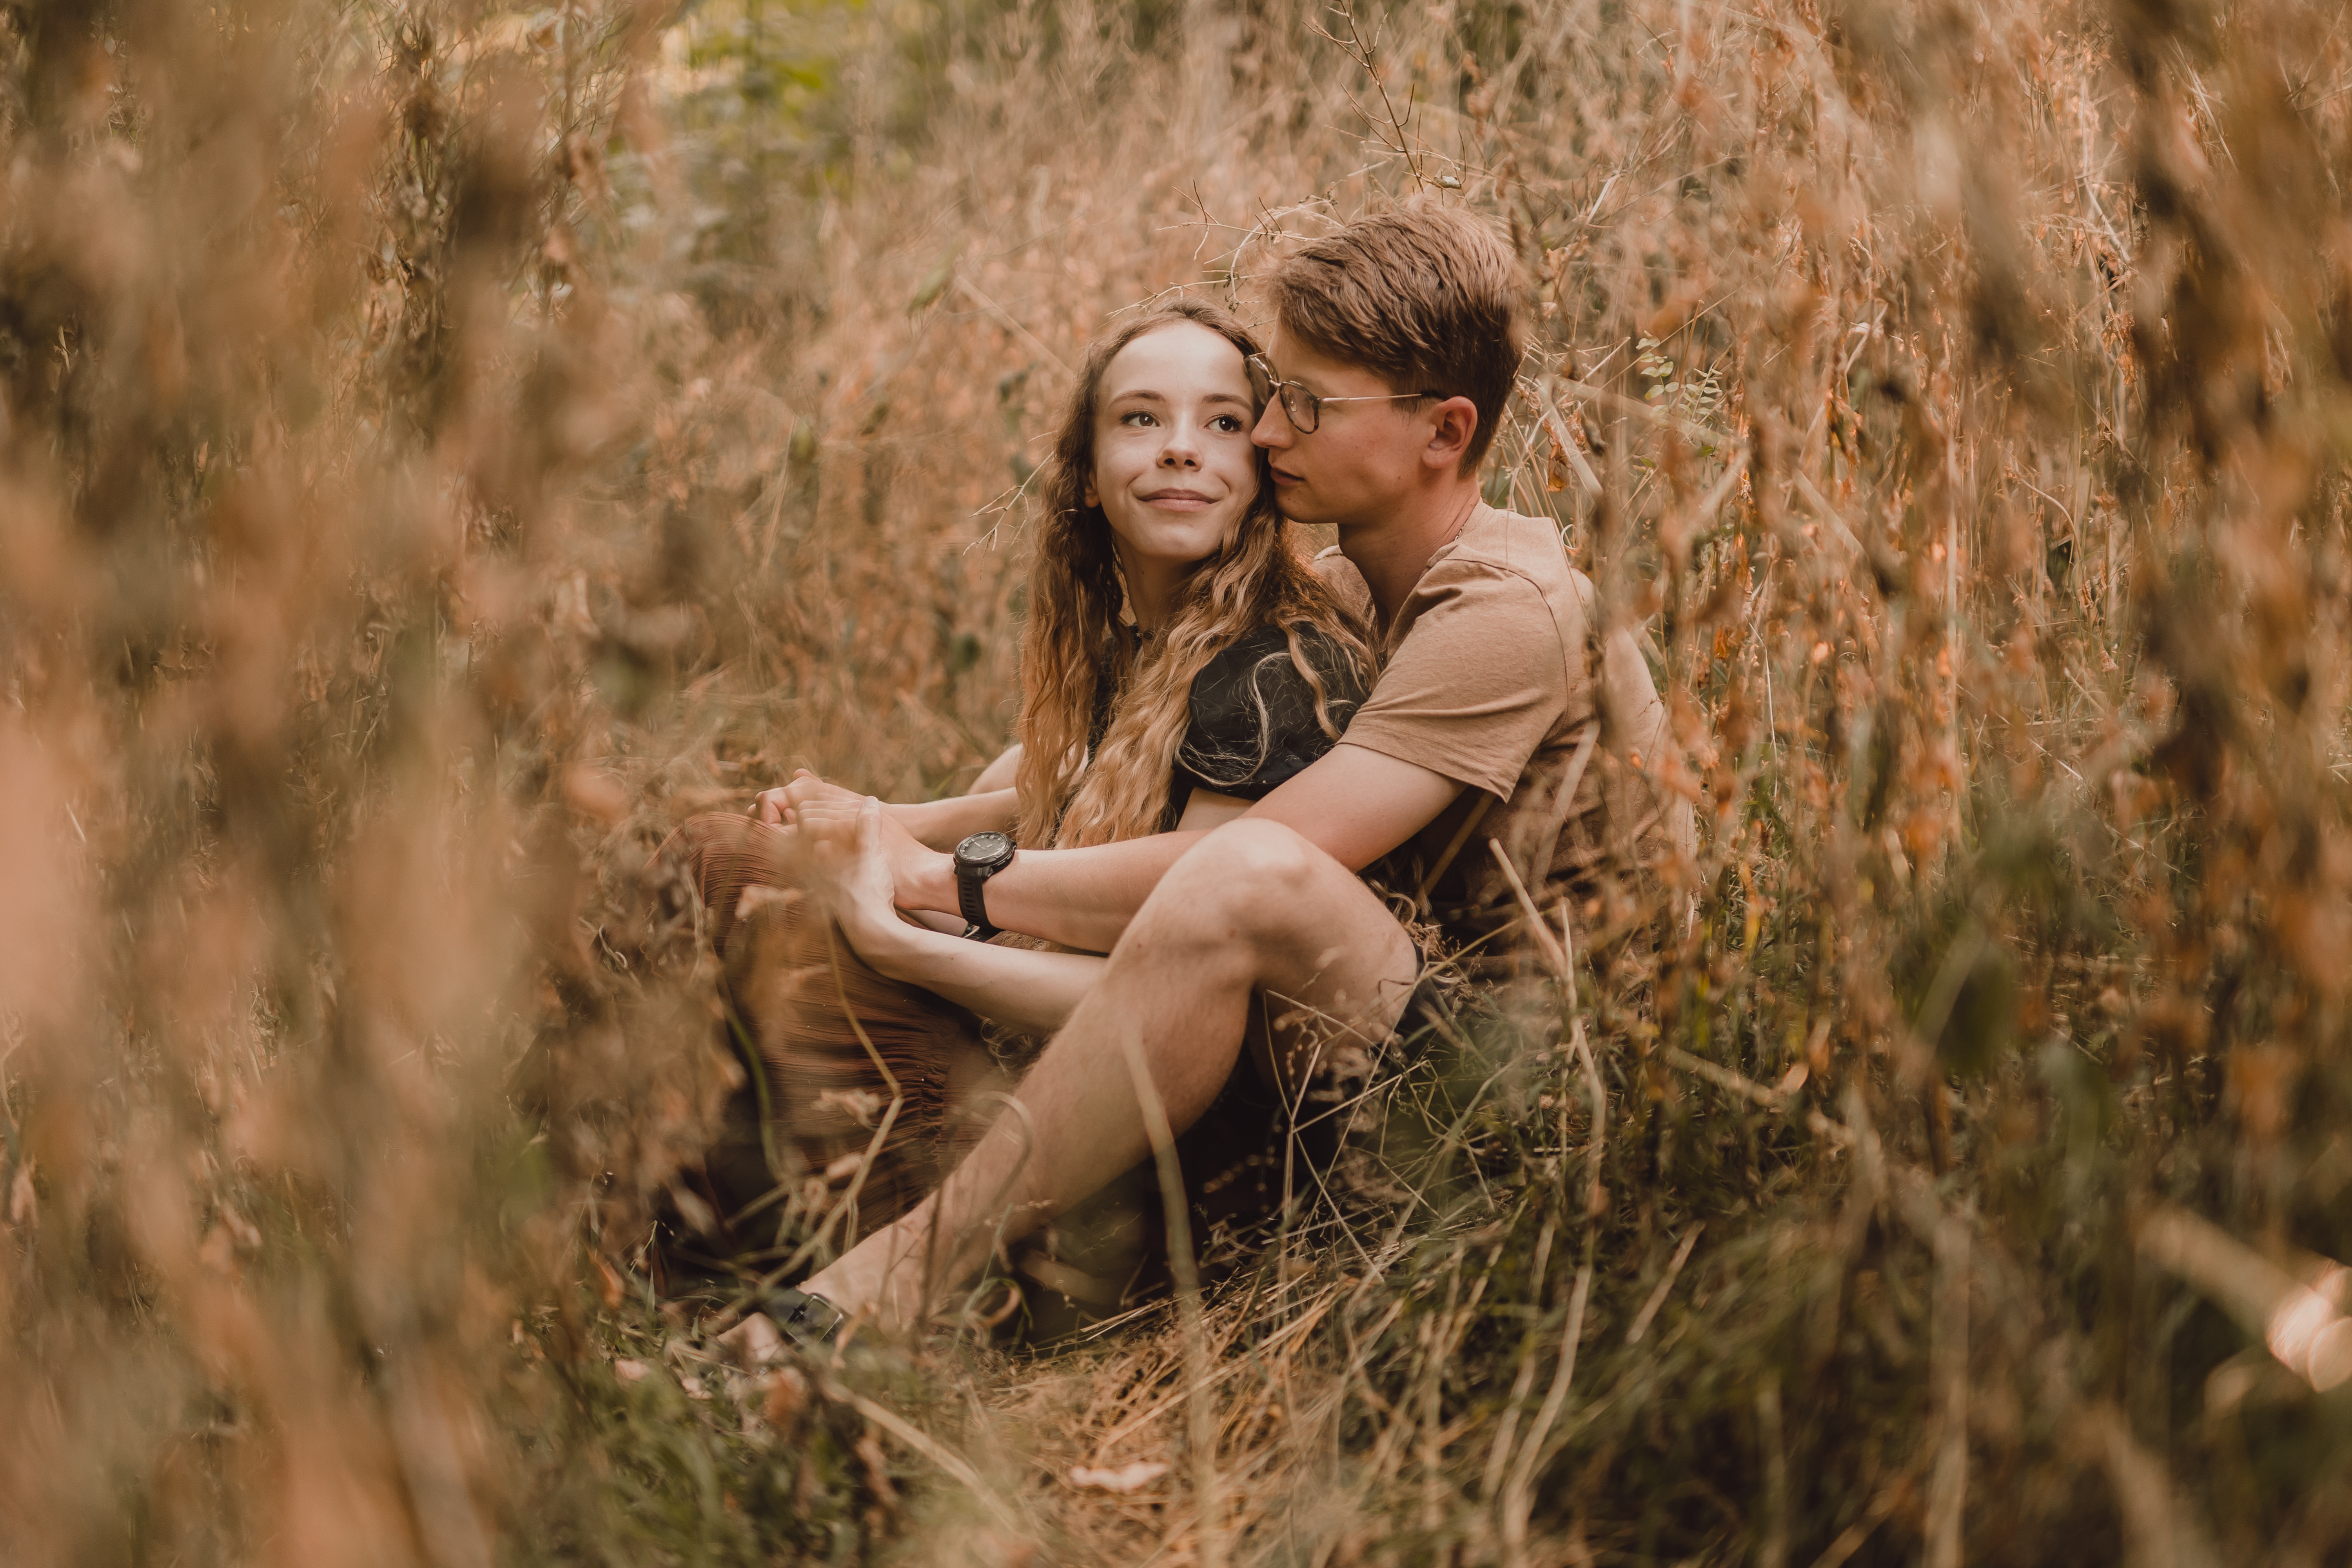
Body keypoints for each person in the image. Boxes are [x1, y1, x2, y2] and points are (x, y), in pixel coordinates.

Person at [769, 201, 1689, 1343]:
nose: (1262, 437)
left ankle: (899, 1281)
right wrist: (886, 819)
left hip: (1543, 1104)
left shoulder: (1512, 616)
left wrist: (932, 883)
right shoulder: (1361, 583)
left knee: (1251, 873)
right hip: (1403, 1016)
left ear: (1443, 435)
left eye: (1304, 405)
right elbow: (1132, 767)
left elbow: (1248, 868)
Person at [665, 299, 1372, 1278]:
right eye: (1140, 418)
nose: (1180, 449)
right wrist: (867, 836)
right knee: (715, 862)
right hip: (1036, 1059)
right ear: (1084, 476)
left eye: (1220, 422)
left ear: (1261, 472)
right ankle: (680, 1253)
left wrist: (903, 937)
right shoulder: (1136, 650)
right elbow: (1029, 813)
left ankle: (924, 1295)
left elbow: (1163, 1001)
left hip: (1141, 1165)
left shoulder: (1270, 674)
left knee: (748, 884)